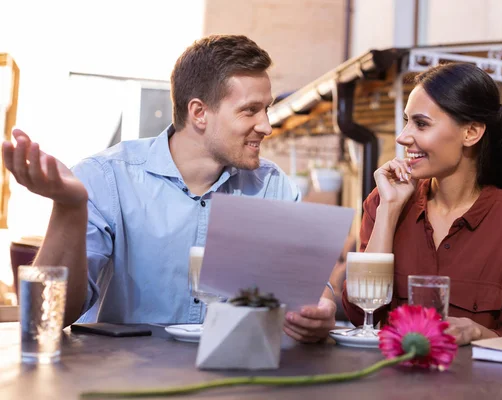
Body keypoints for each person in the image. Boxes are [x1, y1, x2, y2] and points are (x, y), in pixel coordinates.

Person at [3, 35, 335, 340]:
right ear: (199, 113)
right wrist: (69, 208)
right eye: (250, 110)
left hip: (231, 380)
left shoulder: (272, 186)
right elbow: (49, 317)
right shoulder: (106, 179)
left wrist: (320, 310)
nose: (266, 126)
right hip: (120, 379)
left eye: (267, 108)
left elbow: (309, 290)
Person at [342, 62, 502, 345]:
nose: (403, 137)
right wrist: (389, 211)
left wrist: (477, 333)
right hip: (390, 383)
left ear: (471, 133)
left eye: (421, 123)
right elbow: (359, 315)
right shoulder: (383, 202)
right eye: (406, 121)